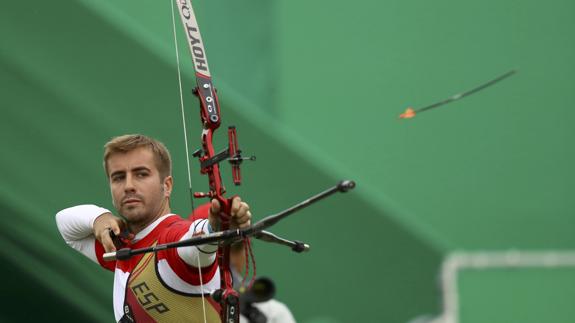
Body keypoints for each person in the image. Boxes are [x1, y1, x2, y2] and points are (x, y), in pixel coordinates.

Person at [55, 134, 252, 323]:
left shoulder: (172, 240)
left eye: (141, 174)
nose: (129, 186)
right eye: (118, 177)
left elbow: (195, 240)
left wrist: (217, 227)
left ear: (167, 186)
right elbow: (66, 226)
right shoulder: (121, 246)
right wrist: (99, 218)